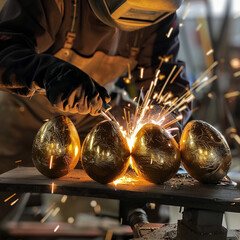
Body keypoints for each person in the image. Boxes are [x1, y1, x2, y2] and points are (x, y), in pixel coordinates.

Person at [0, 0, 190, 224]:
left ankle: (145, 223)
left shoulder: (160, 12)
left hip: (97, 110)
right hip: (25, 111)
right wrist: (49, 72)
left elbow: (168, 81)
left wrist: (163, 119)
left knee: (151, 190)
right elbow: (5, 50)